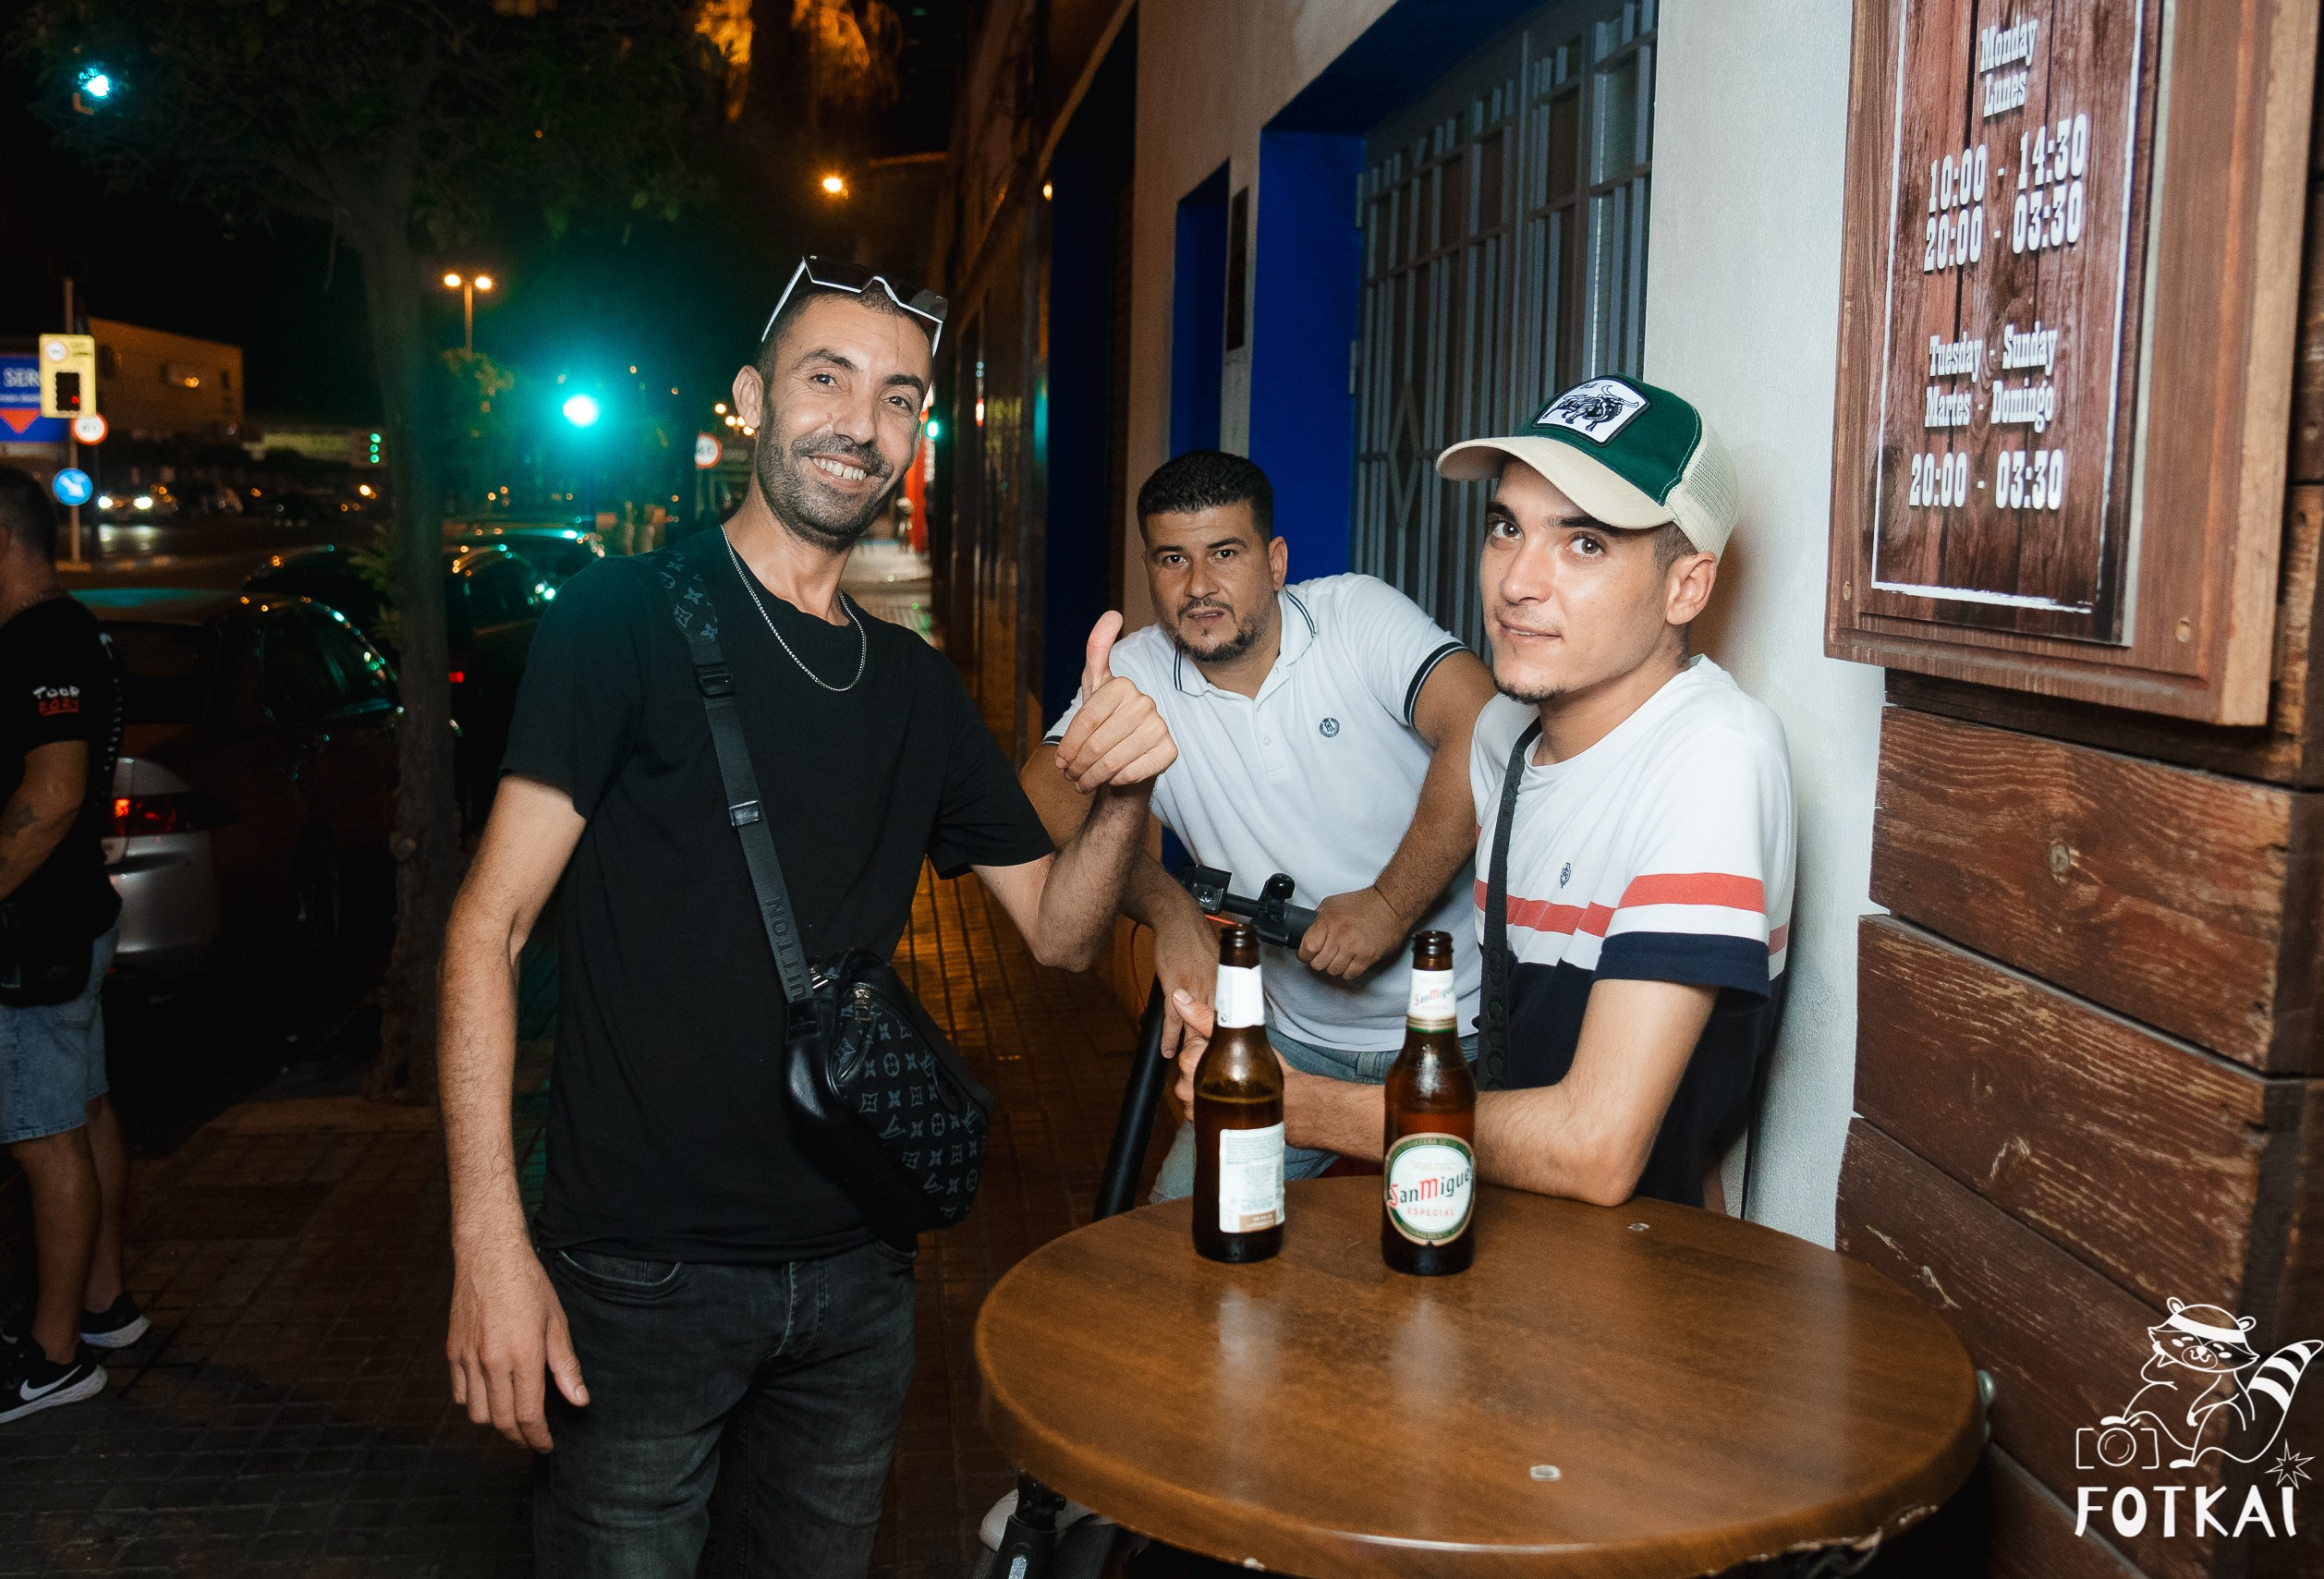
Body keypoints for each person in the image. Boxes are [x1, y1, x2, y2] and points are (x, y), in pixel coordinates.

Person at [439, 259, 1175, 1577]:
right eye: (825, 378)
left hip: (857, 1275)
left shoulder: (912, 685)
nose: (860, 422)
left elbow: (1062, 934)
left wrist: (1118, 791)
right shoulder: (619, 621)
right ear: (748, 402)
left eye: (898, 398)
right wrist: (490, 1242)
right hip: (638, 1278)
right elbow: (487, 929)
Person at [1173, 378, 1795, 1210]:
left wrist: (1302, 1102)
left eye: (1584, 545)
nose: (1516, 583)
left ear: (1687, 586)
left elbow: (1597, 1149)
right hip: (1507, 1228)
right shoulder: (1507, 736)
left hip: (1630, 1278)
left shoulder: (1712, 756)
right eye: (1507, 528)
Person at [1025, 451, 1497, 1195]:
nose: (1199, 587)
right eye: (1172, 559)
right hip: (1290, 1044)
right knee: (1179, 1246)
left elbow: (1483, 728)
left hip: (1460, 1031)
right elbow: (1041, 809)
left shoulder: (1354, 616)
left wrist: (1386, 906)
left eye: (1225, 554)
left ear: (1275, 562)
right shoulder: (1136, 670)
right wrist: (1169, 907)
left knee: (1471, 1272)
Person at [0, 465, 145, 1426]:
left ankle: (53, 1357)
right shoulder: (80, 628)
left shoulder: (36, 642)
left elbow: (50, 797)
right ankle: (103, 1304)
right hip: (74, 922)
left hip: (33, 937)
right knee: (84, 1111)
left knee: (43, 1136)